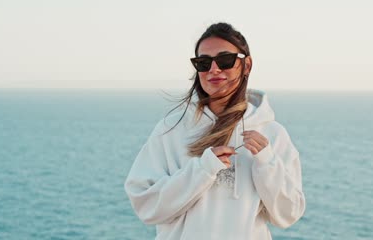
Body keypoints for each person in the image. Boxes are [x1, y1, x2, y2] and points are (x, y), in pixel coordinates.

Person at [124, 22, 306, 240]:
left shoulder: (272, 133)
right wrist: (203, 169)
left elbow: (288, 215)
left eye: (225, 60)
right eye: (203, 62)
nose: (214, 69)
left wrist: (267, 164)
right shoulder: (171, 129)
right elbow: (146, 206)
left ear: (246, 65)